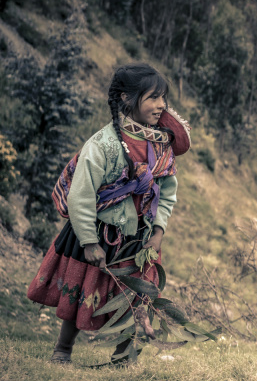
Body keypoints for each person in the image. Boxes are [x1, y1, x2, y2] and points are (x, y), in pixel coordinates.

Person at [27, 63, 190, 365]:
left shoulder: (161, 147)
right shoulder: (102, 145)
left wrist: (158, 231)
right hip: (99, 234)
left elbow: (167, 193)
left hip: (138, 239)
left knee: (136, 296)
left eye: (163, 97)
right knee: (82, 291)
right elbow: (81, 196)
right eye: (153, 98)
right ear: (128, 99)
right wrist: (89, 242)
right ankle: (62, 350)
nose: (161, 105)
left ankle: (123, 358)